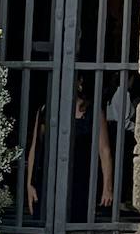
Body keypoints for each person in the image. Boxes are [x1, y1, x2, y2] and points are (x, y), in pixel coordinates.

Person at [25, 78, 114, 222]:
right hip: (47, 181)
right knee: (46, 226)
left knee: (76, 228)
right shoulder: (45, 109)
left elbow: (104, 151)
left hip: (81, 183)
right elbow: (34, 149)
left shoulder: (93, 111)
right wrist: (29, 184)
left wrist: (107, 187)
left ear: (79, 83)